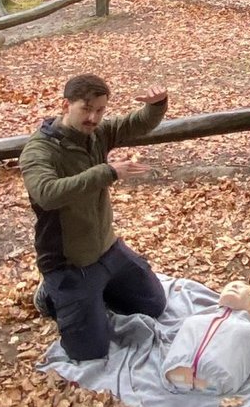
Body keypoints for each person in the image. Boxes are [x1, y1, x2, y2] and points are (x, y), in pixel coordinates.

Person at [21, 74, 168, 361]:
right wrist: (107, 172)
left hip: (107, 249)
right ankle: (51, 294)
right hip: (69, 264)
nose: (93, 118)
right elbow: (47, 194)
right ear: (66, 105)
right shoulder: (39, 150)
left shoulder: (97, 133)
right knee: (90, 351)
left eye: (100, 110)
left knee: (154, 304)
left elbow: (136, 123)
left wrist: (157, 105)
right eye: (86, 109)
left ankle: (96, 293)